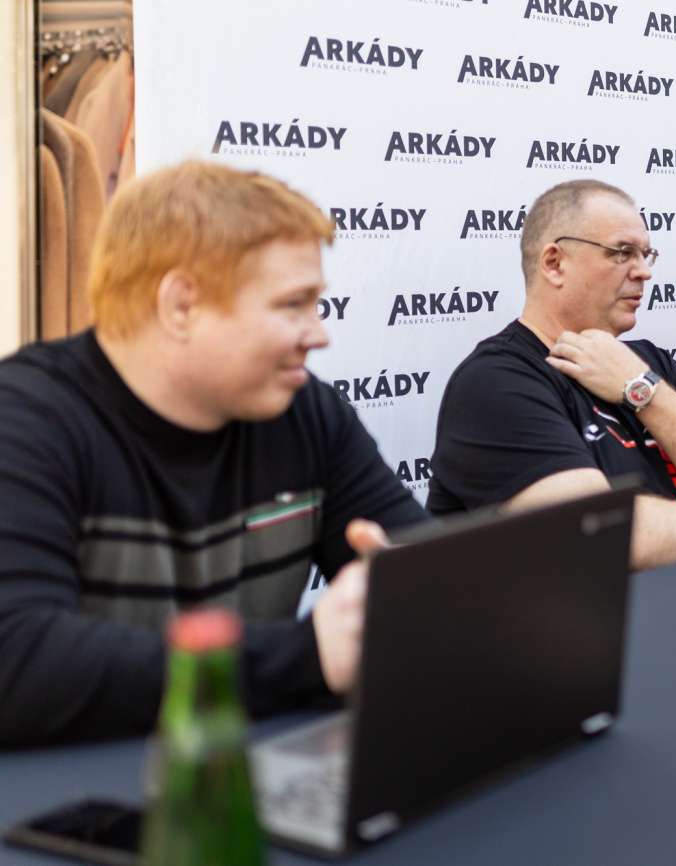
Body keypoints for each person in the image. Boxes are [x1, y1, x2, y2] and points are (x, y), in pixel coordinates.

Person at [0, 161, 430, 746]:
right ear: (181, 305)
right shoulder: (27, 421)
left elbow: (424, 572)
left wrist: (417, 592)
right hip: (75, 794)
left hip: (239, 776)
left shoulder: (307, 413)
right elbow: (18, 660)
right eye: (293, 305)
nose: (319, 333)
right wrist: (303, 657)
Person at [425, 181, 676, 568]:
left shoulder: (648, 364)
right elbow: (598, 534)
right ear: (554, 264)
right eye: (622, 252)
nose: (644, 272)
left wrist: (643, 389)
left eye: (646, 254)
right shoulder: (496, 382)